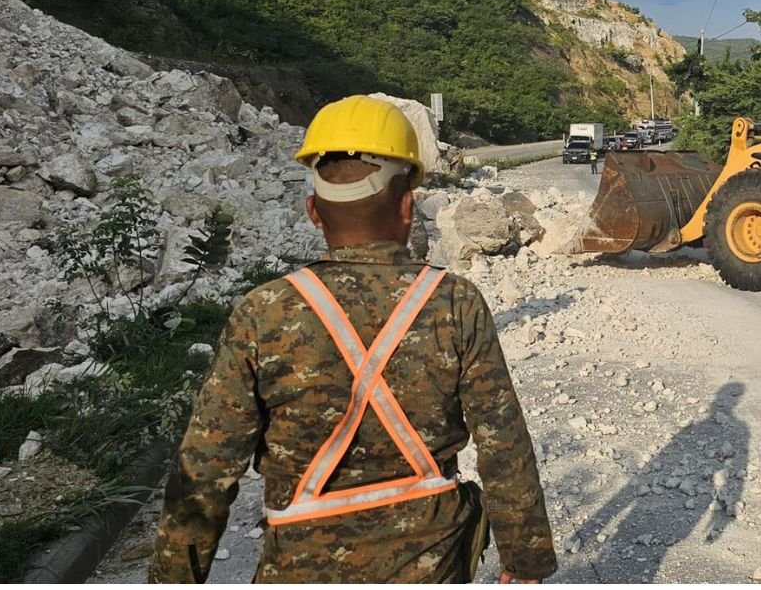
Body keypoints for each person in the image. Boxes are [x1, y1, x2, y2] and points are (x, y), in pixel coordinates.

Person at [150, 95, 556, 584]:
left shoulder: (264, 312)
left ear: (313, 213)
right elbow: (503, 444)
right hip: (432, 564)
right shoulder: (455, 302)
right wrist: (525, 563)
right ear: (408, 205)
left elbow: (205, 471)